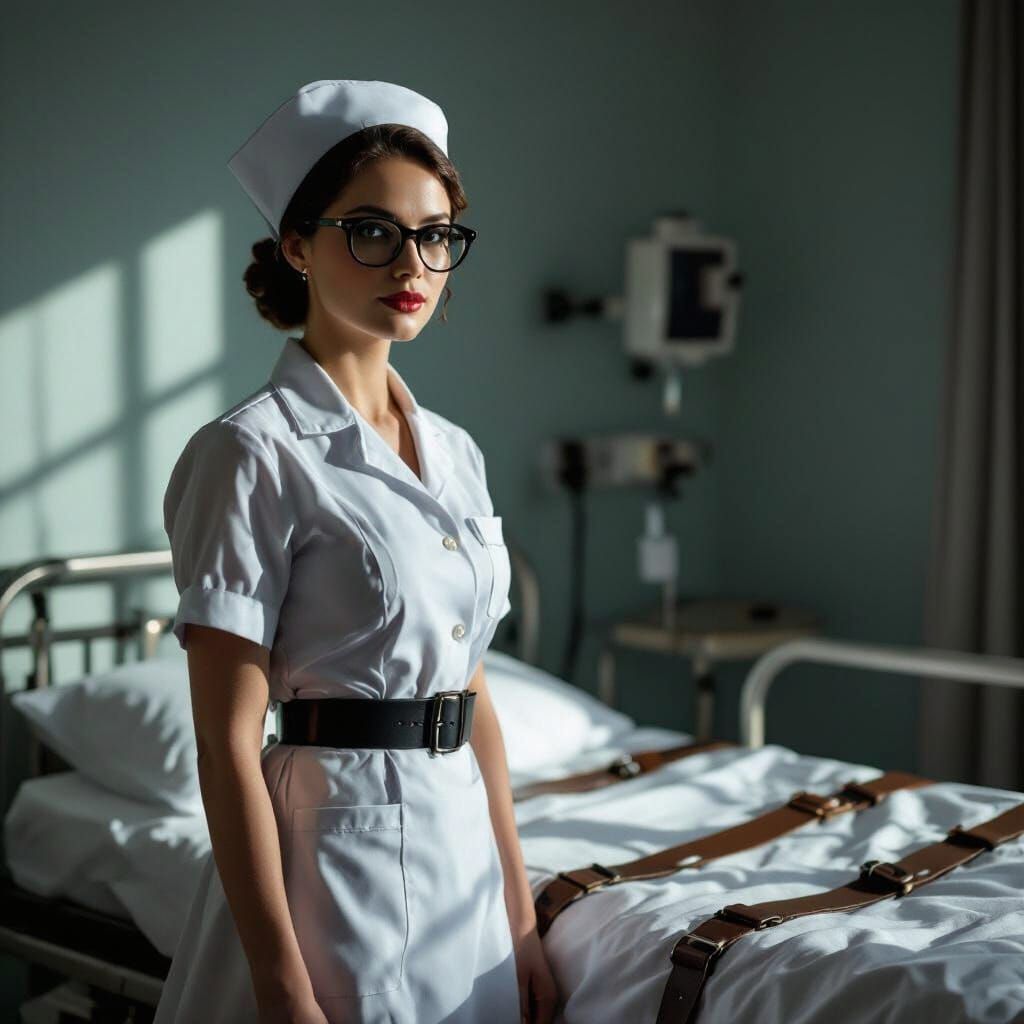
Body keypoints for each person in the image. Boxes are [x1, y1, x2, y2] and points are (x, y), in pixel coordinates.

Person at [153, 79, 559, 1024]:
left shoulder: (455, 452)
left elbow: (470, 691)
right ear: (297, 244)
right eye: (372, 230)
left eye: (435, 235)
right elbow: (224, 742)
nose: (412, 262)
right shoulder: (249, 453)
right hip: (335, 860)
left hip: (463, 856)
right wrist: (281, 985)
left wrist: (521, 920)